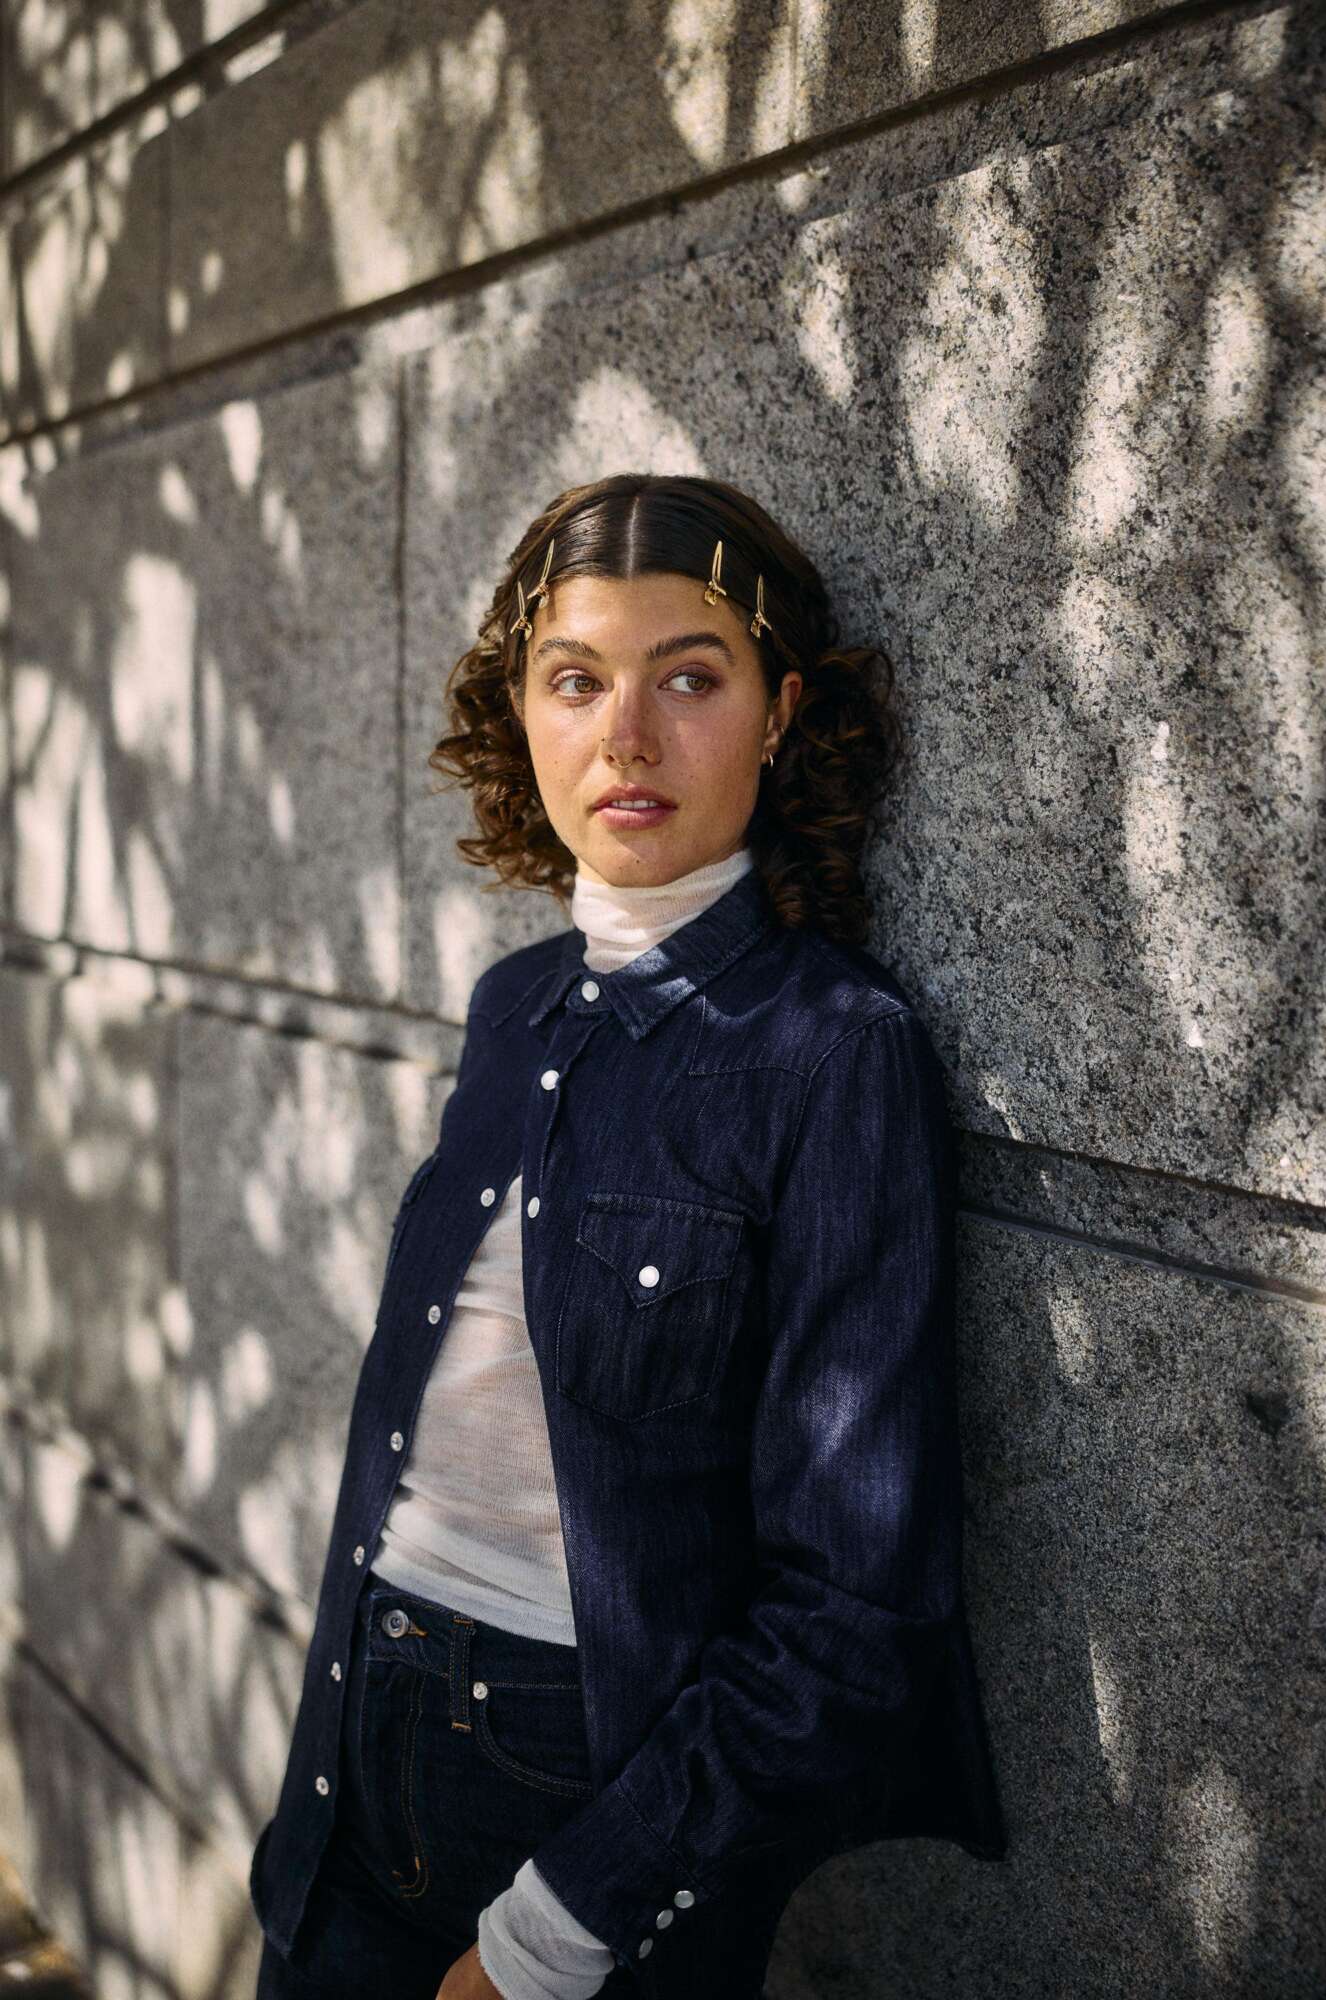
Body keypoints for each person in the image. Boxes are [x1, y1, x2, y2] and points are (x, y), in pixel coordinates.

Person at [248, 472, 1007, 2000]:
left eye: (690, 678)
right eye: (576, 680)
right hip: (350, 1741)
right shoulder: (510, 1007)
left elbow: (855, 1611)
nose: (628, 737)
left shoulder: (828, 1050)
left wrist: (555, 1931)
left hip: (582, 1797)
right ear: (519, 713)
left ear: (781, 713)